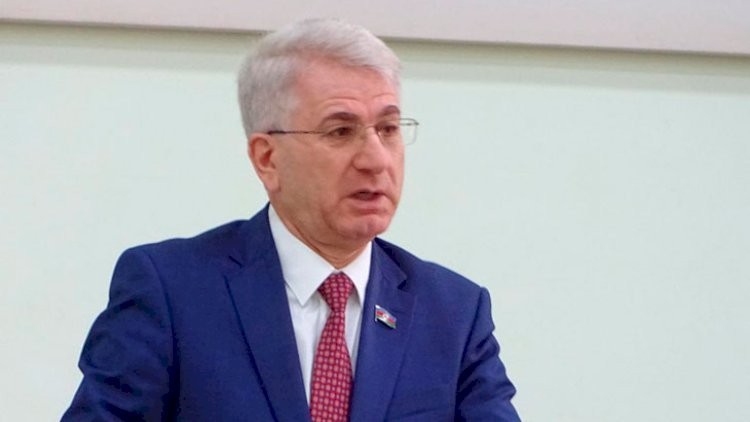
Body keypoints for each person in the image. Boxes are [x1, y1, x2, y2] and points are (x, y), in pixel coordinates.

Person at [62, 18, 521, 421]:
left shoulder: (453, 313)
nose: (376, 160)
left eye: (388, 129)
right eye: (340, 131)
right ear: (267, 158)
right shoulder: (172, 291)